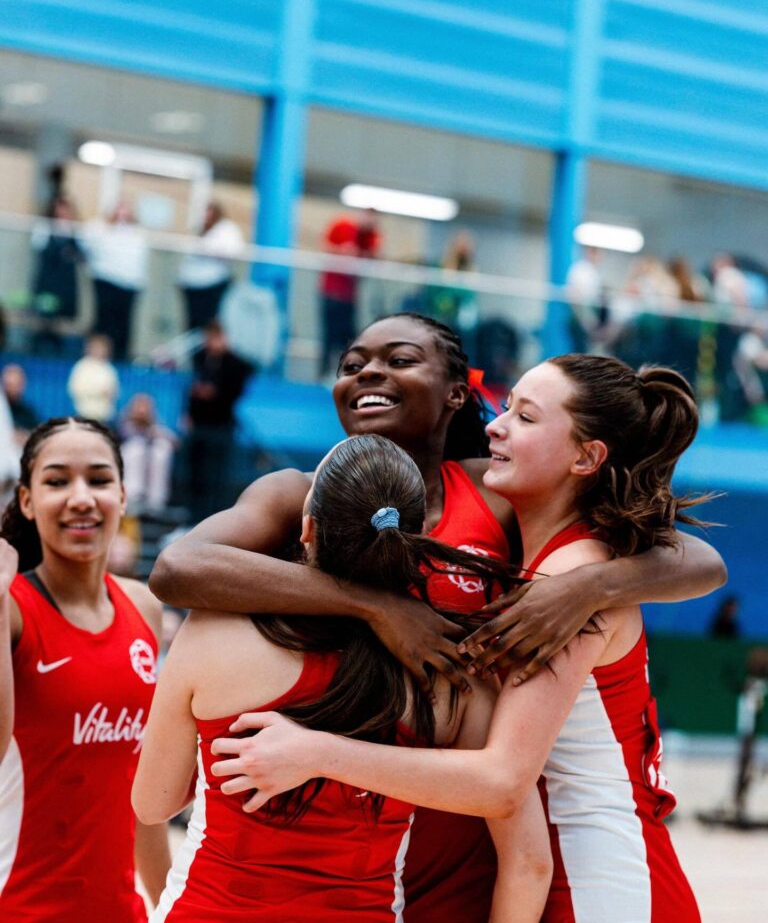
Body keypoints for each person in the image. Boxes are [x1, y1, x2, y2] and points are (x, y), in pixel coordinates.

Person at [150, 313, 725, 922]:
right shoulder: (300, 494)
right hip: (377, 860)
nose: (369, 372)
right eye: (352, 364)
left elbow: (695, 558)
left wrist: (588, 588)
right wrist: (377, 605)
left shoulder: (502, 494)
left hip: (489, 846)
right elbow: (178, 568)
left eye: (399, 360)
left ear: (455, 392)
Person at [134, 434, 552, 922]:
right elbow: (530, 862)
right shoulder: (449, 675)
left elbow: (154, 803)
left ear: (307, 527)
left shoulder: (211, 634)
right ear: (418, 540)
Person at [0, 417, 170, 920]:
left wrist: (169, 907)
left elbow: (145, 802)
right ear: (27, 500)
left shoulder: (144, 608)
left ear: (122, 494)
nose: (81, 498)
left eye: (98, 480)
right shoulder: (12, 611)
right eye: (57, 481)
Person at [183, 321, 253, 523]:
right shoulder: (200, 360)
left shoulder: (235, 364)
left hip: (221, 425)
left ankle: (214, 517)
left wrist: (213, 391)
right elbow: (190, 390)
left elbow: (242, 378)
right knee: (196, 472)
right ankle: (193, 516)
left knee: (217, 474)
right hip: (199, 424)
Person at [318, 209, 380, 375]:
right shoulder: (344, 226)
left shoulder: (369, 235)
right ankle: (325, 372)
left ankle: (346, 371)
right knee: (329, 335)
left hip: (349, 296)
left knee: (348, 337)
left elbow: (374, 254)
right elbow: (345, 252)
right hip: (332, 293)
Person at [84, 200, 149, 360]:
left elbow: (139, 262)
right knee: (104, 321)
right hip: (106, 280)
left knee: (123, 324)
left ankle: (120, 356)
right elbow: (87, 237)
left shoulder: (138, 234)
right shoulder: (101, 228)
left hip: (129, 285)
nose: (122, 215)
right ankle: (97, 355)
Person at [30, 195, 85, 355]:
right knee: (45, 319)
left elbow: (81, 256)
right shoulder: (45, 228)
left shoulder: (75, 231)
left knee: (62, 320)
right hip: (48, 281)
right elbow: (41, 251)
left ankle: (58, 351)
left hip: (65, 284)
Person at [177, 202, 244, 332]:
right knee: (193, 323)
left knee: (208, 322)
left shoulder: (226, 229)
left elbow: (233, 251)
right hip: (193, 285)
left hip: (212, 285)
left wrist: (211, 251)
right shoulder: (202, 230)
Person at [119, 393, 178, 513]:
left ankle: (156, 501)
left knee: (161, 449)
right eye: (139, 407)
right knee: (136, 448)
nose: (142, 411)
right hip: (126, 467)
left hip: (149, 470)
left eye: (145, 407)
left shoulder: (155, 426)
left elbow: (175, 441)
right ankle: (133, 497)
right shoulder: (122, 423)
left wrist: (155, 433)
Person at [67, 333, 120, 423]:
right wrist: (98, 392)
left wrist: (109, 393)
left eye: (103, 348)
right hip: (85, 413)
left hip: (104, 416)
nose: (100, 351)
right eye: (97, 347)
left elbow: (115, 390)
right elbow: (75, 389)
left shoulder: (109, 368)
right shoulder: (82, 366)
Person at [2, 364, 39, 446]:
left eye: (16, 385)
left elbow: (38, 438)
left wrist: (24, 436)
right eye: (9, 385)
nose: (12, 389)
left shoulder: (27, 413)